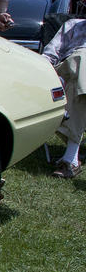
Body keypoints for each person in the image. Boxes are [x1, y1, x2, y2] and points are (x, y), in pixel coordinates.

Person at [42, 19, 86, 178]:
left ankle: (71, 159)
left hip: (72, 88)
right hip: (65, 76)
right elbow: (48, 56)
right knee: (81, 59)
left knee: (82, 64)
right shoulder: (72, 26)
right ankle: (71, 159)